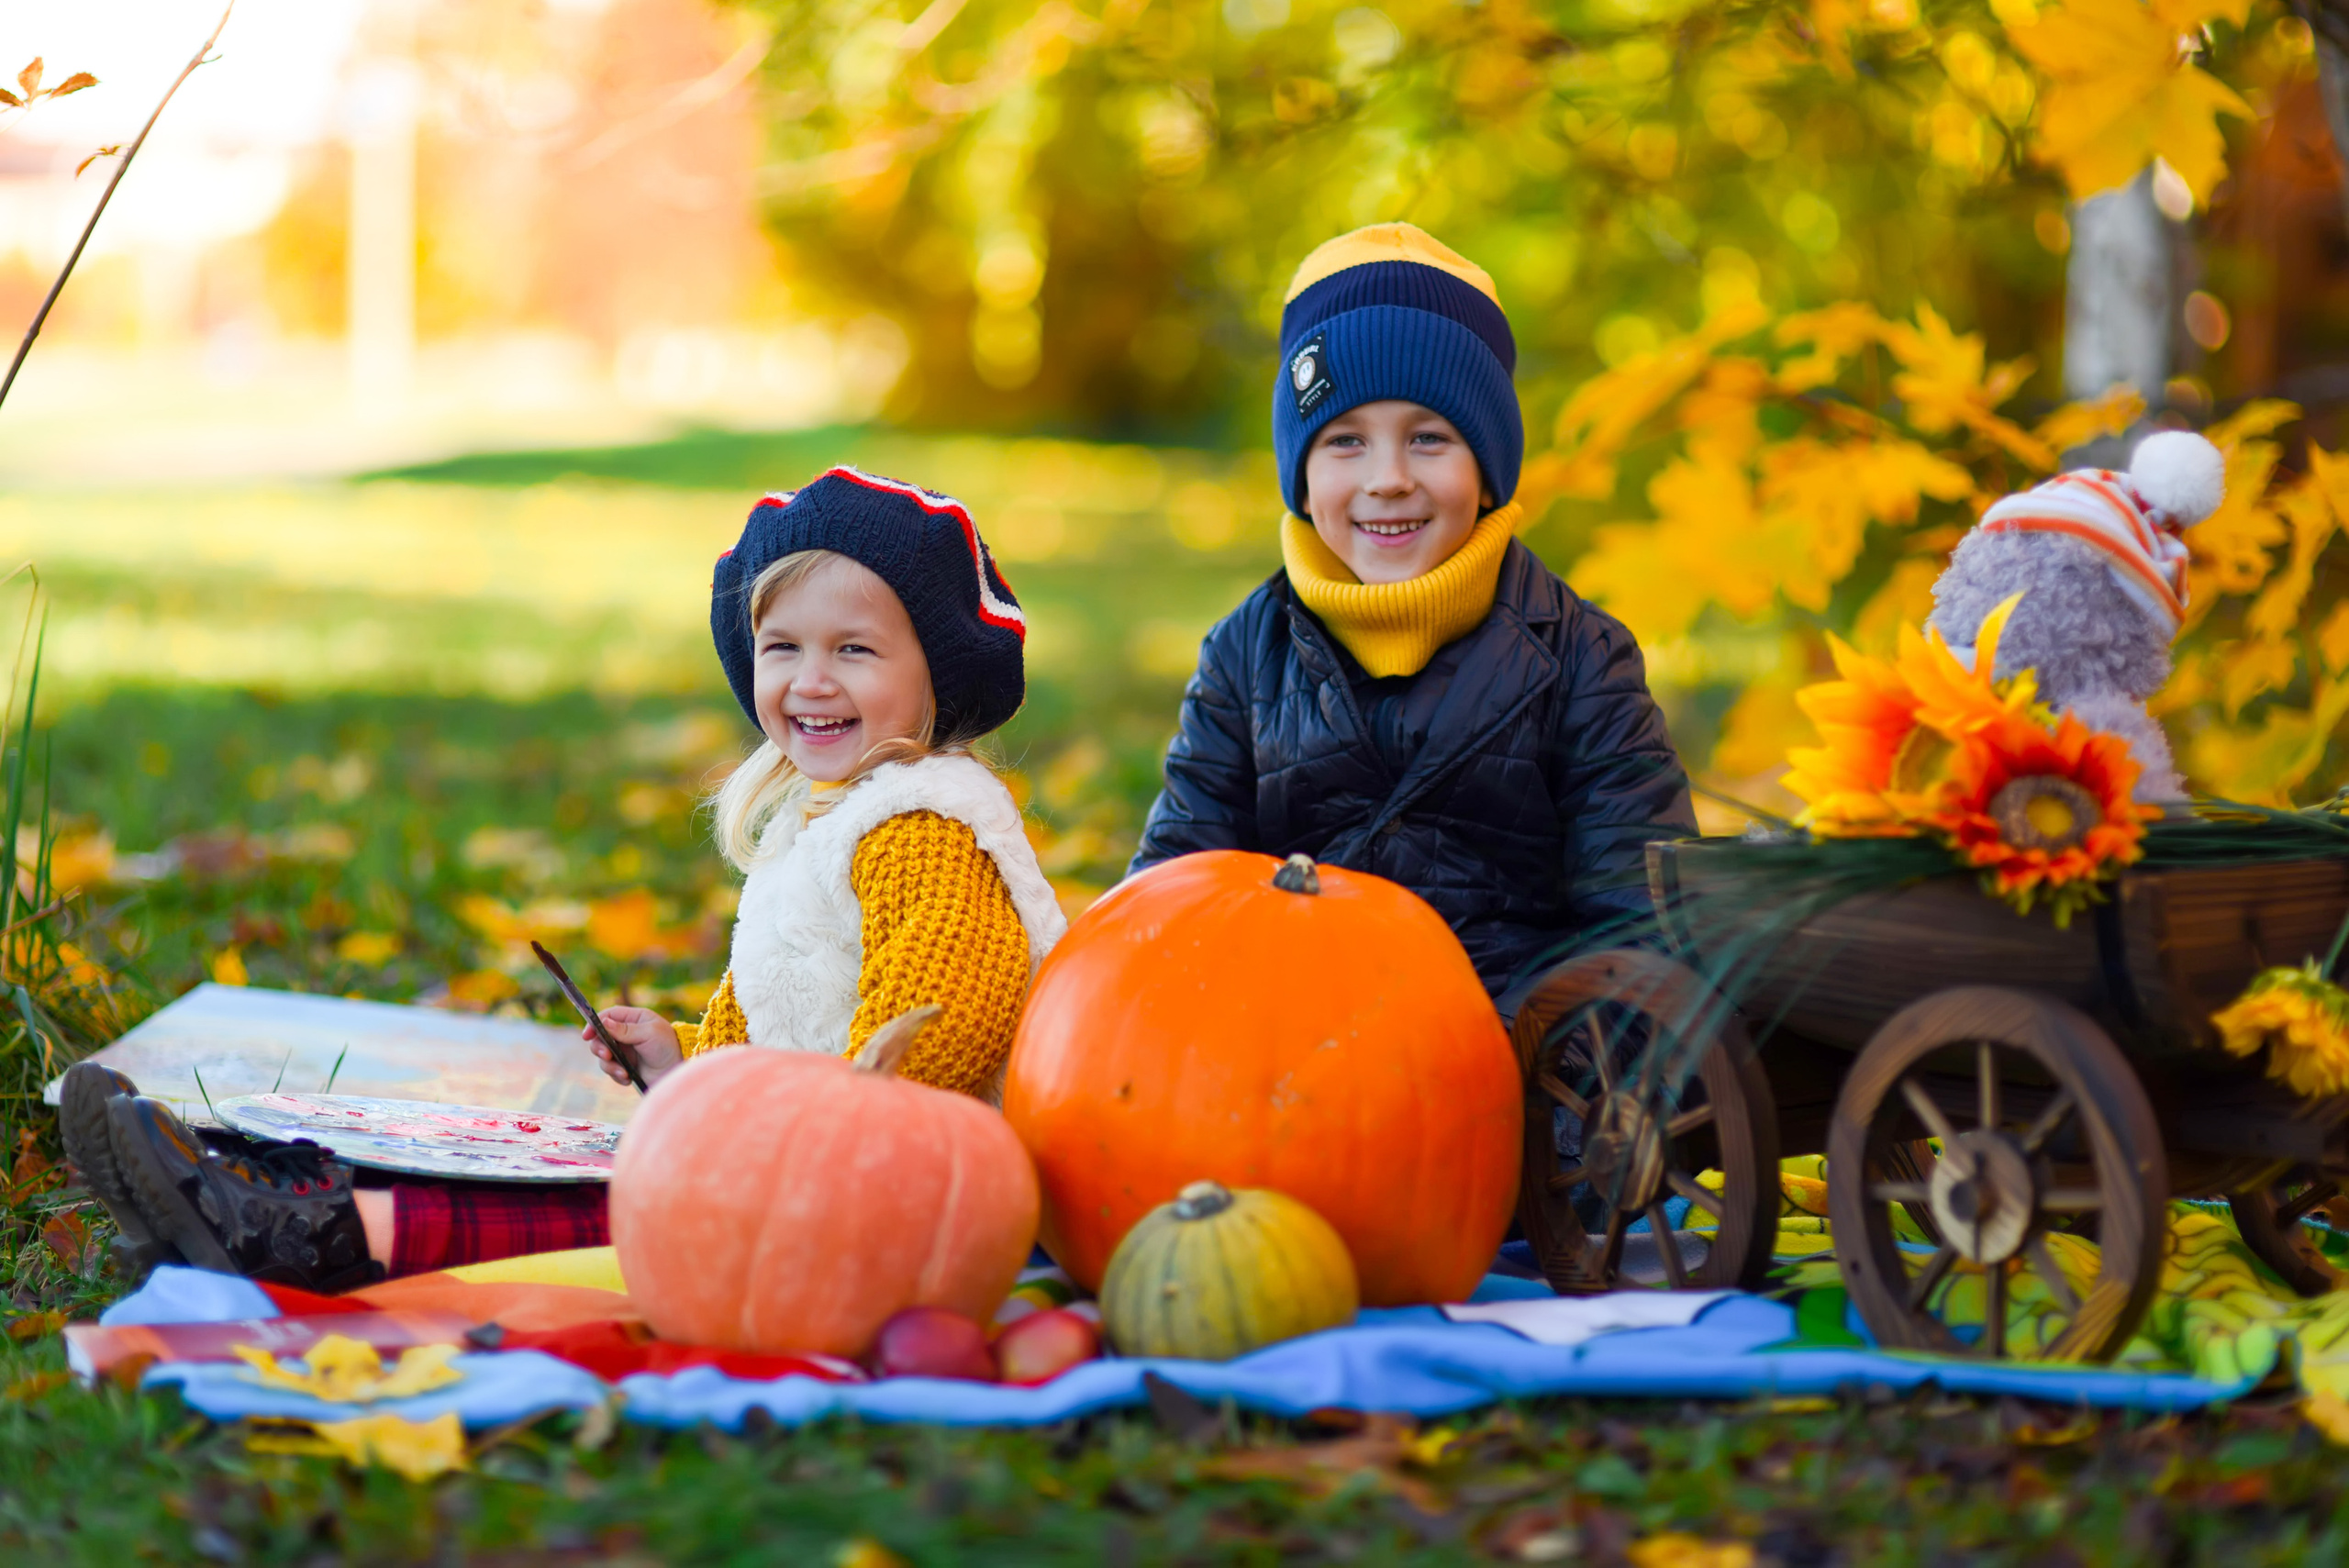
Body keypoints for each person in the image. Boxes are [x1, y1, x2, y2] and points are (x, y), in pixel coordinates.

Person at [65, 467, 1065, 1292]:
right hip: (820, 1156)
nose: (810, 678)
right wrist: (680, 1056)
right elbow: (777, 1019)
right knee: (579, 1162)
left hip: (899, 1193)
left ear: (931, 673)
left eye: (853, 648)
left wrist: (792, 1130)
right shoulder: (830, 822)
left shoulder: (926, 824)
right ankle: (253, 1189)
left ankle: (309, 1232)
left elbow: (945, 1018)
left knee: (612, 1203)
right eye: (783, 647)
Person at [1130, 223, 1696, 1006]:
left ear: (1489, 466)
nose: (1388, 478)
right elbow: (1174, 888)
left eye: (1429, 438)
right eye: (1345, 441)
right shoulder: (1245, 656)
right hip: (1287, 1048)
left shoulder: (1581, 658)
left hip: (1510, 1060)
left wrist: (1580, 1095)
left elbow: (1639, 913)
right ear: (1300, 472)